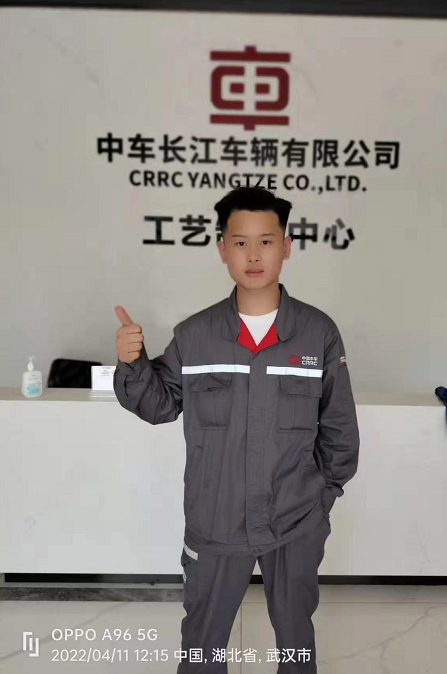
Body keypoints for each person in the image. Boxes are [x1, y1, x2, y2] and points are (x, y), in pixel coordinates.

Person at [113, 186, 360, 673]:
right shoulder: (195, 336)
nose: (253, 255)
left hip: (295, 521)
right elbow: (159, 405)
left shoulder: (318, 333)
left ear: (286, 247)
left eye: (266, 242)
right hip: (215, 521)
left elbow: (339, 426)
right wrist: (132, 362)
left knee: (296, 644)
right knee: (202, 646)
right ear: (222, 248)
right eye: (240, 242)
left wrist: (321, 500)